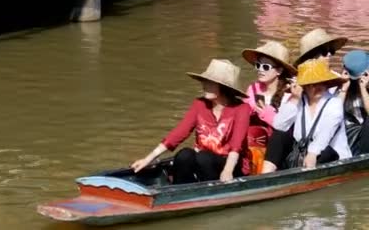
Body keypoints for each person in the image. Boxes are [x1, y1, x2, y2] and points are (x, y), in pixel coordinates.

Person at [131, 59, 251, 183]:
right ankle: (178, 188)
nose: (203, 85)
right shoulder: (199, 104)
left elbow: (236, 145)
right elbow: (178, 134)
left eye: (209, 82)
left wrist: (227, 171)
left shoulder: (241, 109)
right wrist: (147, 159)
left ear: (223, 87)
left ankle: (210, 190)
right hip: (202, 161)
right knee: (185, 155)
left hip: (231, 164)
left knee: (204, 157)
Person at [261, 58, 351, 173]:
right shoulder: (296, 100)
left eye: (321, 82)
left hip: (329, 155)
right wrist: (294, 99)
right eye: (312, 84)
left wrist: (313, 153)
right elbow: (279, 125)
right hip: (300, 155)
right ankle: (266, 175)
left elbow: (326, 133)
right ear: (304, 86)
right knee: (279, 135)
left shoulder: (334, 103)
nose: (318, 87)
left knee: (325, 152)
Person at [241, 41, 297, 174]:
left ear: (279, 71)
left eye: (265, 67)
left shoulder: (289, 93)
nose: (260, 69)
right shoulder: (252, 89)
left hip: (280, 145)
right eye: (258, 65)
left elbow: (284, 126)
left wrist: (265, 112)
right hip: (255, 142)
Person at [340, 50, 369, 155]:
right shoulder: (341, 89)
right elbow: (334, 112)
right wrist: (343, 88)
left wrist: (363, 89)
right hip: (351, 140)